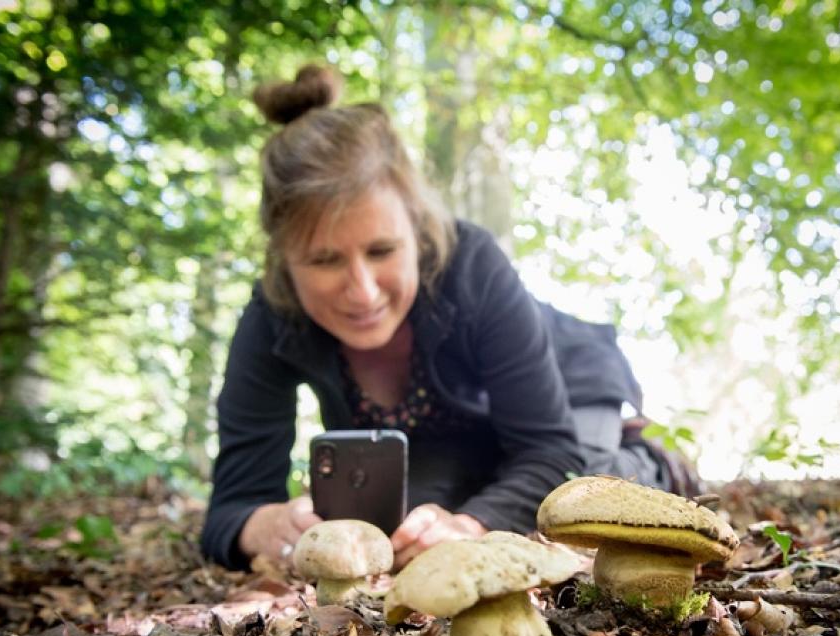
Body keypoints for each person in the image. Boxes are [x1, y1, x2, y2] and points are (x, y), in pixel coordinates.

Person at [201, 64, 690, 572]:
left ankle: (653, 457)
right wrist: (264, 524)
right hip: (451, 440)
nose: (362, 291)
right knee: (411, 515)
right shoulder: (272, 315)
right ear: (282, 260)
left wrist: (471, 526)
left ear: (417, 231)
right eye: (324, 261)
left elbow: (547, 450)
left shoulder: (471, 264)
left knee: (581, 493)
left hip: (569, 386)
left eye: (382, 250)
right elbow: (232, 509)